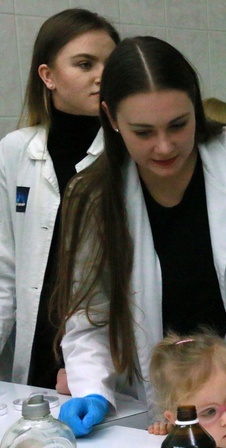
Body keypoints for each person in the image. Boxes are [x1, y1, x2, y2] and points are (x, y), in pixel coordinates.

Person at [53, 36, 226, 437]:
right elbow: (90, 316)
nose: (164, 146)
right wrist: (91, 390)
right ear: (111, 116)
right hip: (159, 406)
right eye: (143, 131)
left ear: (196, 104)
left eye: (178, 124)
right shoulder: (93, 191)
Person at [0, 9, 118, 392]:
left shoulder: (128, 153)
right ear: (48, 76)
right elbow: (5, 268)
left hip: (105, 348)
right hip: (37, 350)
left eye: (110, 64)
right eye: (85, 64)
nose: (101, 75)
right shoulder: (16, 150)